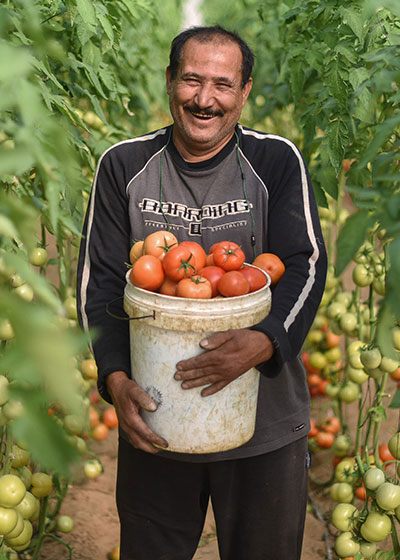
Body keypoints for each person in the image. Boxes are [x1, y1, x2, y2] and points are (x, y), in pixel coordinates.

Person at [77, 25, 327, 560]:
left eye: (222, 84)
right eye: (191, 80)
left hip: (265, 423)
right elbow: (99, 283)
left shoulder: (276, 161)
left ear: (245, 92)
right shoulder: (123, 166)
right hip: (157, 419)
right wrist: (117, 379)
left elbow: (306, 265)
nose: (204, 98)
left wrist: (265, 341)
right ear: (169, 82)